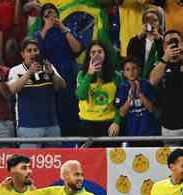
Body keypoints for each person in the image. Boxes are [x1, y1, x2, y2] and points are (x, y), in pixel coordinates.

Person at [7, 38, 66, 148]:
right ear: (22, 54)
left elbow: (62, 86)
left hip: (51, 125)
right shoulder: (15, 70)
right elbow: (11, 90)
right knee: (29, 162)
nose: (33, 53)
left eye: (36, 50)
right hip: (28, 126)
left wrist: (52, 74)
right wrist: (29, 73)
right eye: (29, 51)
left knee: (54, 162)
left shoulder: (49, 67)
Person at [35, 3, 82, 137]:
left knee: (70, 107)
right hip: (49, 74)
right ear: (42, 18)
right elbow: (35, 52)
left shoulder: (66, 31)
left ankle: (73, 139)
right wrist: (46, 28)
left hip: (68, 73)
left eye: (53, 14)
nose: (51, 17)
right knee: (52, 108)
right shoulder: (39, 33)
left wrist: (63, 28)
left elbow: (77, 48)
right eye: (47, 15)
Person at [76, 41, 122, 142]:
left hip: (109, 124)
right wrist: (89, 74)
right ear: (89, 56)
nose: (97, 55)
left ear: (105, 54)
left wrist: (117, 122)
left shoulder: (116, 76)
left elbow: (121, 102)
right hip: (87, 123)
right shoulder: (82, 74)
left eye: (100, 52)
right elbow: (81, 96)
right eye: (93, 52)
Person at [115, 57, 159, 141]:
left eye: (134, 68)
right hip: (130, 134)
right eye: (127, 69)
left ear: (139, 70)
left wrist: (140, 94)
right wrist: (129, 99)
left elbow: (151, 109)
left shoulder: (147, 84)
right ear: (124, 73)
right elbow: (121, 113)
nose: (131, 72)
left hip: (150, 133)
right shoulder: (122, 87)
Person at [126, 8, 164, 79]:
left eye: (154, 20)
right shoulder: (135, 41)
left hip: (158, 79)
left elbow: (164, 57)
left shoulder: (164, 41)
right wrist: (139, 36)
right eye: (147, 20)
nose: (151, 23)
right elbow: (129, 60)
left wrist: (158, 38)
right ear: (143, 23)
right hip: (139, 79)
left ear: (160, 23)